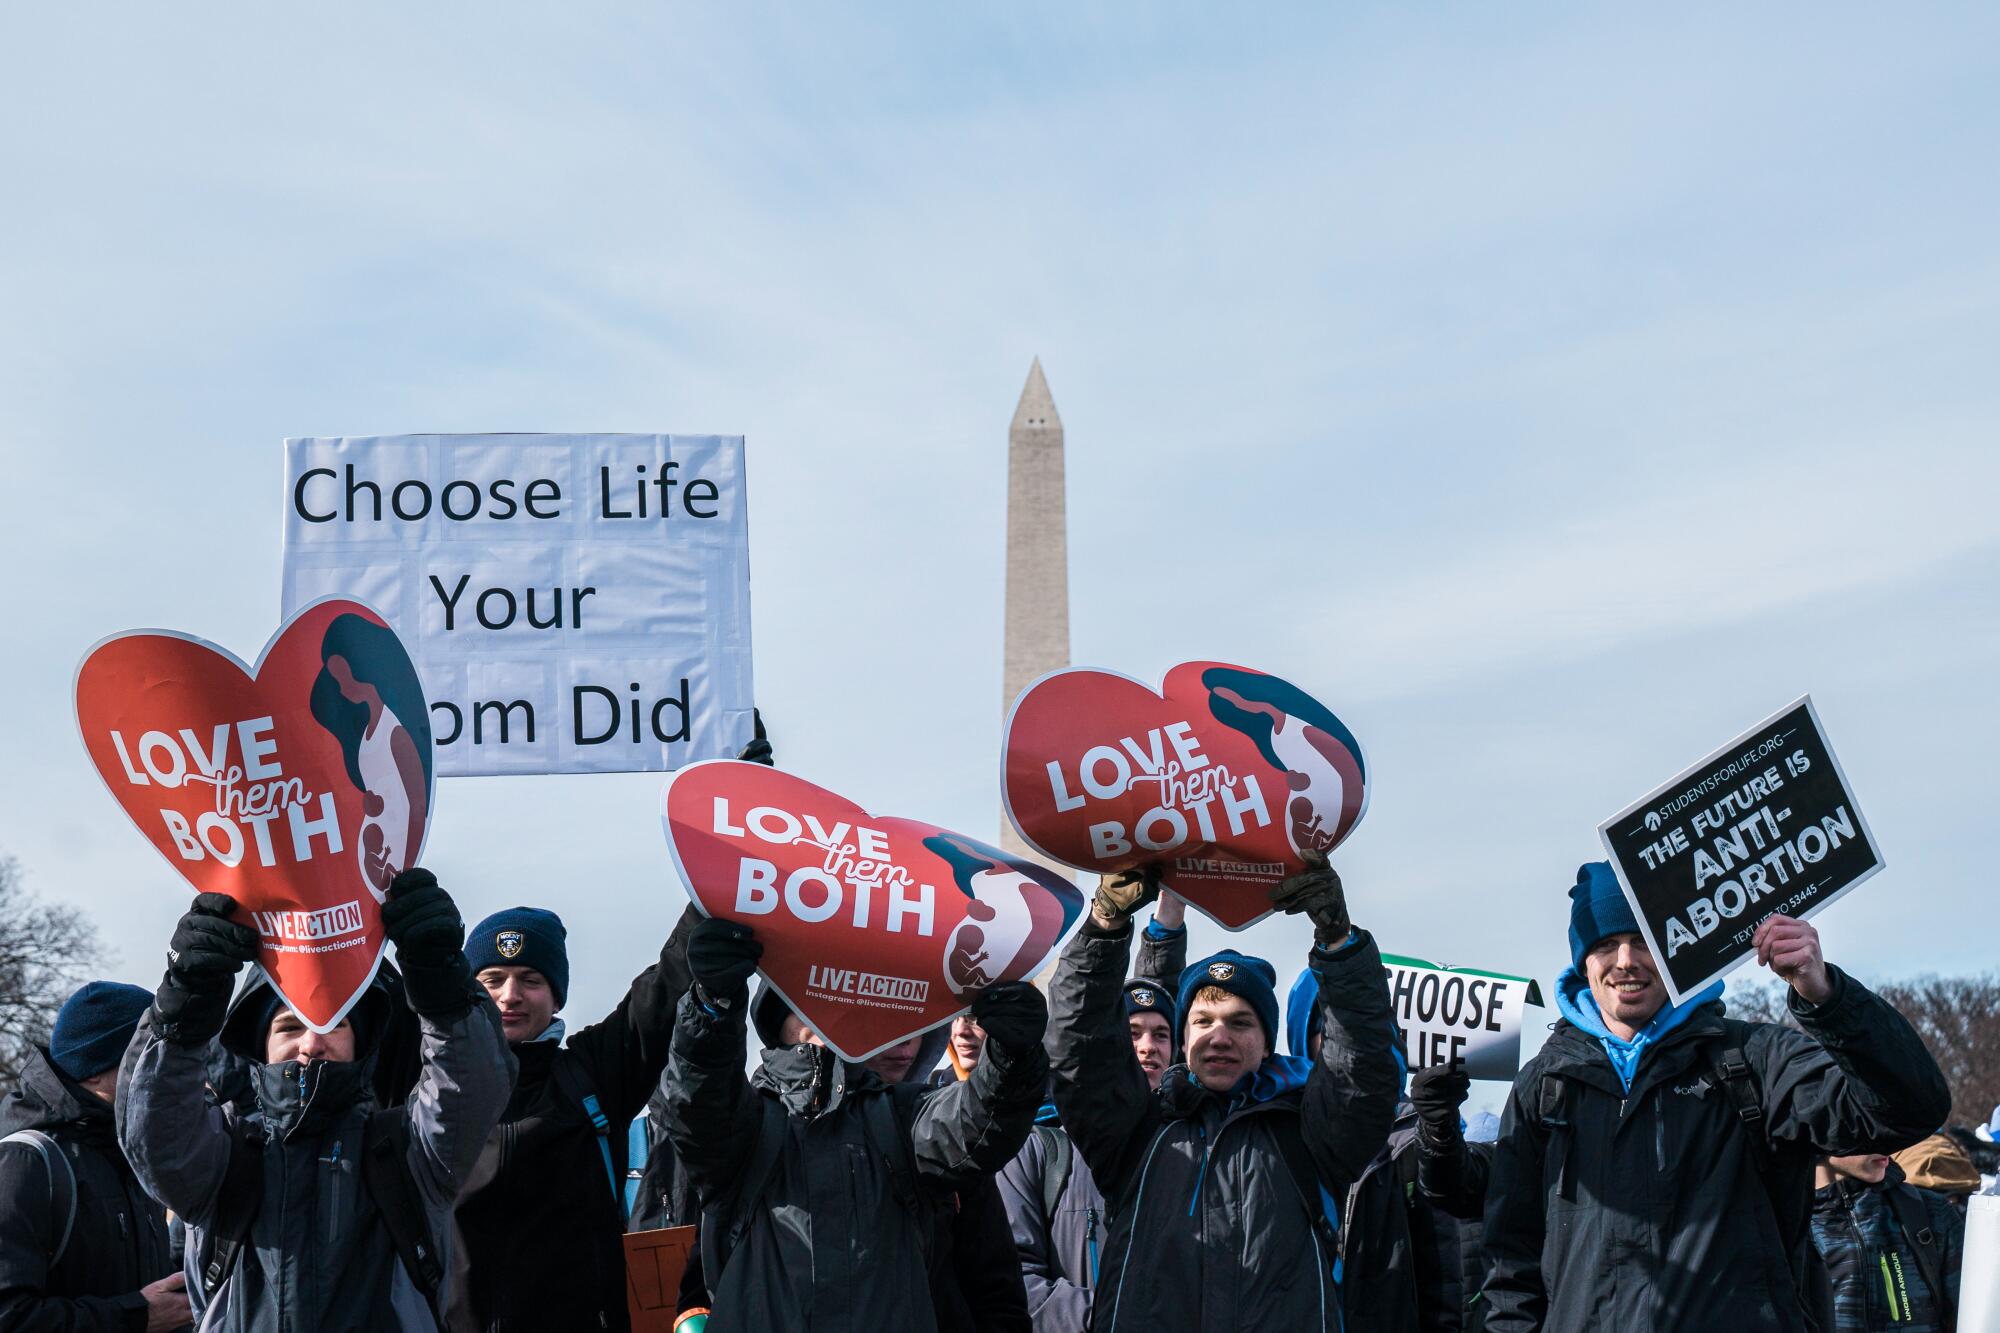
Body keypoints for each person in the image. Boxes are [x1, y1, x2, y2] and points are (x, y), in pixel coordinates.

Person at [1480, 862, 1954, 1333]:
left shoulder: (1754, 1061)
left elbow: (1908, 1110)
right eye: (1606, 944)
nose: (1625, 960)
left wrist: (1826, 996)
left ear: (1675, 950)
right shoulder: (1544, 1086)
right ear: (1584, 962)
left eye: (1643, 940)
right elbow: (1510, 1266)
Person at [118, 871, 515, 1330]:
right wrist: (184, 1004)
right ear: (259, 1046)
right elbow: (153, 1131)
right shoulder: (224, 1155)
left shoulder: (410, 1152)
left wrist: (444, 989)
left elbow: (472, 1085)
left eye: (335, 1024)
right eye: (289, 1027)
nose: (311, 1043)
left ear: (362, 1044)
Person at [1045, 854, 1400, 1331]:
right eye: (1203, 1021)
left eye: (1240, 1023)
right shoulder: (1138, 1131)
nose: (1219, 1037)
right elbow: (1079, 1046)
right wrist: (1104, 925)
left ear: (1267, 1041)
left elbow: (1362, 1065)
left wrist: (1339, 945)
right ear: (1183, 1039)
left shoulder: (1311, 1135)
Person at [660, 916, 1048, 1330]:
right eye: (812, 1002)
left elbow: (978, 1122)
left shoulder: (904, 1115)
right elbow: (698, 1098)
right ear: (781, 1022)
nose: (829, 1017)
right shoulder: (749, 1124)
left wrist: (1012, 1056)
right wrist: (711, 1008)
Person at [449, 899, 700, 1332]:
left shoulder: (593, 1074)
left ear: (556, 996)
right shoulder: (432, 1088)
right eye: (492, 979)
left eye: (530, 980)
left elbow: (665, 989)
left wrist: (711, 898)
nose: (510, 995)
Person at [992, 897, 1189, 1333]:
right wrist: (1119, 1315)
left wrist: (1171, 913)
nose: (1147, 1047)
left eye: (1161, 1034)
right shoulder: (1036, 1148)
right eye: (1132, 1032)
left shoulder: (1192, 1145)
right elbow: (1010, 1279)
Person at [0, 980, 184, 1331]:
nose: (167, 1070)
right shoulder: (24, 1163)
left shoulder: (133, 1156)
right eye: (151, 1055)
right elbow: (9, 1317)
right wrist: (138, 1316)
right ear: (96, 1068)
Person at [1812, 1152, 1963, 1331]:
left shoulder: (1930, 1210)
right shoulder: (1784, 1226)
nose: (1885, 1144)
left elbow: (1973, 1316)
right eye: (1867, 1128)